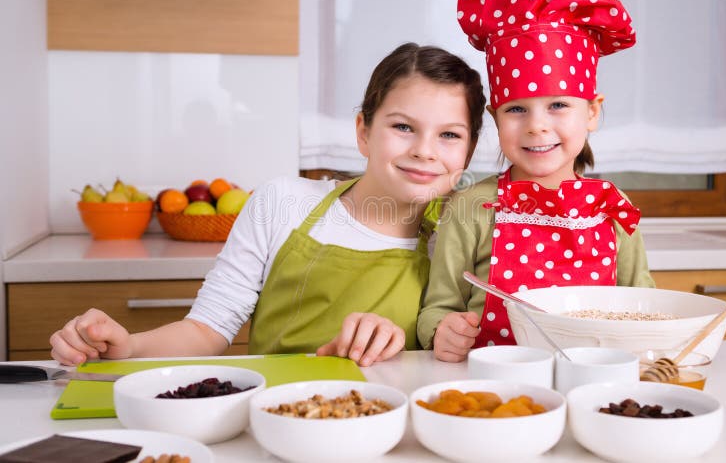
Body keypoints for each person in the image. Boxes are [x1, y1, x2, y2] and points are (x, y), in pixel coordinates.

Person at [50, 42, 486, 368]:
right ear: (364, 132)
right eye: (404, 127)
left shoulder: (462, 237)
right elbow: (206, 330)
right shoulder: (283, 203)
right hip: (276, 420)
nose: (425, 151)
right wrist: (130, 346)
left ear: (467, 153)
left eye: (449, 135)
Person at [417, 0, 656, 362]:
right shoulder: (471, 206)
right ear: (494, 117)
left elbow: (643, 304)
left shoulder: (612, 206)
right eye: (517, 110)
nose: (536, 126)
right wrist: (441, 330)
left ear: (592, 112)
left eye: (558, 105)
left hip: (592, 387)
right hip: (494, 390)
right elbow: (437, 306)